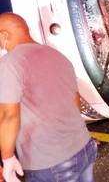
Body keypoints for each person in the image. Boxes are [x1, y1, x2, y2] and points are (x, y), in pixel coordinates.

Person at [0, 13, 96, 182]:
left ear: (4, 35)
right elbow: (75, 99)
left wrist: (7, 158)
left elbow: (8, 115)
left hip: (51, 163)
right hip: (83, 147)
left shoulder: (9, 63)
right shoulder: (55, 54)